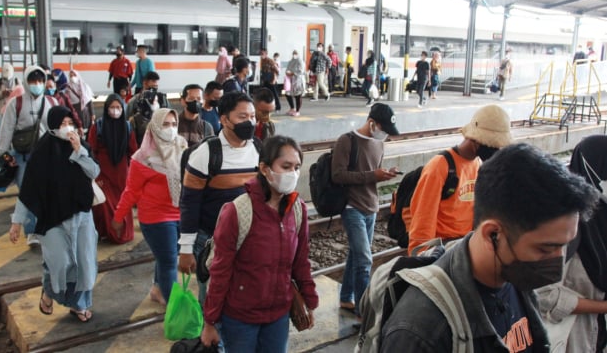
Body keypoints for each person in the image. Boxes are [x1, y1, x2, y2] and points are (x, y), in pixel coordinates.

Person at [381, 142, 600, 352]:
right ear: (492, 234)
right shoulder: (421, 330)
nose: (557, 260)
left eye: (564, 246)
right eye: (545, 249)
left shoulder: (515, 279)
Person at [200, 135, 318, 351]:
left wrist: (309, 301)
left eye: (297, 166)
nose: (292, 173)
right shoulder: (237, 211)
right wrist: (210, 321)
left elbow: (301, 261)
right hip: (240, 318)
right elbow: (220, 271)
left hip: (278, 315)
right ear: (264, 168)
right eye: (286, 166)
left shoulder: (297, 209)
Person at [8, 105, 100, 322]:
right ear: (52, 127)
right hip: (52, 218)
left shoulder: (81, 147)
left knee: (85, 262)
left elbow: (94, 172)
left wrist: (79, 152)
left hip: (81, 214)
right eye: (62, 124)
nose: (67, 128)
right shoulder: (42, 153)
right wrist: (16, 222)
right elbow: (29, 191)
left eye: (70, 123)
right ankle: (49, 290)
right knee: (60, 263)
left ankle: (80, 305)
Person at [178, 92, 260, 304]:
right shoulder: (206, 153)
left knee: (242, 296)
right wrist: (186, 249)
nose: (249, 122)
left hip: (248, 239)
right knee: (213, 299)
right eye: (242, 117)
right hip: (210, 241)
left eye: (252, 116)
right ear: (224, 119)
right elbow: (189, 203)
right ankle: (211, 335)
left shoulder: (259, 150)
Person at [407, 105, 513, 254]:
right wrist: (421, 257)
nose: (496, 152)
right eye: (493, 146)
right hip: (441, 249)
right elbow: (422, 220)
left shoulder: (478, 164)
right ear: (476, 141)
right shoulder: (440, 166)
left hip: (463, 246)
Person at [536, 135, 607, 353]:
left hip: (597, 337)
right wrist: (602, 308)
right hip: (566, 339)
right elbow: (542, 293)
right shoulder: (564, 224)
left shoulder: (603, 220)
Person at [331, 103, 400, 316]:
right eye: (383, 129)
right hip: (352, 207)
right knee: (364, 260)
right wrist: (374, 175)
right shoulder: (347, 141)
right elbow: (338, 175)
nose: (385, 134)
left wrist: (385, 174)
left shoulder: (379, 144)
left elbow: (372, 174)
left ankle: (345, 297)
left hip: (371, 206)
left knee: (356, 254)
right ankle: (364, 311)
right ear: (372, 123)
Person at [113, 108, 187, 306]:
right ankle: (174, 305)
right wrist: (119, 216)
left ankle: (157, 288)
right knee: (170, 261)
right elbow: (131, 191)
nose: (170, 129)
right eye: (165, 124)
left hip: (180, 213)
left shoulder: (182, 146)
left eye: (173, 124)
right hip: (156, 217)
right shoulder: (143, 157)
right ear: (154, 126)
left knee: (166, 256)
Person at [0, 65, 56, 246]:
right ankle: (32, 231)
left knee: (48, 192)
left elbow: (58, 128)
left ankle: (46, 225)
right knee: (27, 193)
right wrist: (4, 153)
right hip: (24, 156)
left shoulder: (52, 103)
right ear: (26, 81)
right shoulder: (16, 103)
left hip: (47, 157)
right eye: (32, 81)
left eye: (39, 81)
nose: (36, 84)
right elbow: (6, 130)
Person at [87, 94, 138, 244]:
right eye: (112, 107)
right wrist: (95, 175)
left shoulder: (127, 127)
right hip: (103, 173)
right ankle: (108, 233)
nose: (115, 110)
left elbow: (133, 151)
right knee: (105, 205)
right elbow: (92, 150)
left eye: (118, 107)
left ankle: (122, 233)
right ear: (106, 108)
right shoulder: (98, 127)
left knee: (123, 203)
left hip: (122, 174)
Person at [127, 71, 169, 146]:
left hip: (159, 143)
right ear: (145, 83)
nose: (156, 84)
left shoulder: (163, 100)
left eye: (156, 82)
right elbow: (127, 123)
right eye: (153, 81)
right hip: (140, 142)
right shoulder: (134, 102)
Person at [177, 83, 214, 148]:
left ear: (204, 102)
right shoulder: (174, 124)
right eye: (191, 98)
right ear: (183, 101)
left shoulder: (207, 127)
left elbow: (210, 151)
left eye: (199, 99)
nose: (196, 102)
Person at [259, 48, 281, 112]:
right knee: (265, 94)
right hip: (265, 79)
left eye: (262, 54)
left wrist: (274, 80)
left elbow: (276, 71)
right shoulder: (262, 61)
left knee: (274, 94)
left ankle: (278, 107)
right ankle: (266, 107)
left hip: (271, 80)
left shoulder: (270, 61)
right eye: (260, 54)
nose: (261, 55)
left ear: (266, 54)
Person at [285, 50, 305, 116]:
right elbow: (287, 68)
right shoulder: (291, 61)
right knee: (287, 94)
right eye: (293, 53)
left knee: (298, 95)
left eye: (295, 53)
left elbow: (301, 71)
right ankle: (292, 108)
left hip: (298, 80)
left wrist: (293, 73)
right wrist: (287, 73)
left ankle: (297, 111)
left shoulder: (300, 61)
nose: (294, 55)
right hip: (290, 80)